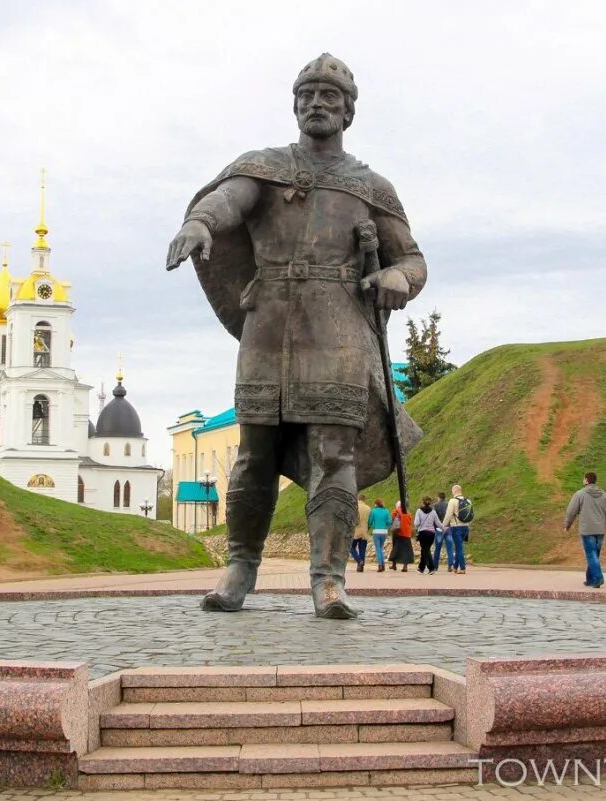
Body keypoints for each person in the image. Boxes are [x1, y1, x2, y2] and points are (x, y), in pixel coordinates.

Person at [166, 54, 428, 619]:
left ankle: (329, 581)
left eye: (329, 97)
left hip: (337, 332)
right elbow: (228, 200)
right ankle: (239, 568)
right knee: (252, 454)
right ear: (295, 105)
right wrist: (200, 222)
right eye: (307, 95)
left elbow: (412, 261)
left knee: (335, 455)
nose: (316, 104)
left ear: (348, 112)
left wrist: (393, 277)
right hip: (267, 325)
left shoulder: (369, 186)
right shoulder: (263, 168)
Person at [564, 471, 606, 588]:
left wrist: (567, 524)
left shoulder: (580, 494)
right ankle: (590, 579)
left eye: (584, 479)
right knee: (594, 555)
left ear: (587, 480)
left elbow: (571, 511)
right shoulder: (604, 495)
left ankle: (598, 578)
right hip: (600, 530)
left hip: (587, 529)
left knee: (591, 555)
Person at [442, 484, 471, 573]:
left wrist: (443, 525)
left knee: (459, 548)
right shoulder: (468, 501)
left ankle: (462, 568)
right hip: (465, 527)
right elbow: (471, 515)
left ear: (454, 491)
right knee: (460, 547)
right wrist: (467, 524)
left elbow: (448, 514)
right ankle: (455, 567)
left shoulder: (452, 501)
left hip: (456, 527)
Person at [413, 497, 441, 575]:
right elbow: (438, 523)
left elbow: (416, 523)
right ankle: (421, 568)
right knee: (425, 550)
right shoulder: (433, 512)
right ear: (430, 503)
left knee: (425, 550)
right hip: (431, 534)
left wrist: (418, 524)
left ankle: (431, 568)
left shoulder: (419, 511)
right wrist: (444, 528)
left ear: (423, 502)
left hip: (423, 533)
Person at [389, 501, 415, 571]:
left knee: (396, 549)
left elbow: (392, 518)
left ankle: (394, 565)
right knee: (406, 550)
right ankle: (405, 567)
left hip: (398, 533)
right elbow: (410, 523)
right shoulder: (408, 513)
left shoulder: (396, 511)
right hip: (407, 534)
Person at [368, 498, 392, 572]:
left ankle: (380, 565)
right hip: (384, 532)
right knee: (381, 548)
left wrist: (372, 526)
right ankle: (383, 564)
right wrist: (385, 525)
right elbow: (389, 522)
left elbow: (370, 522)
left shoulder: (373, 511)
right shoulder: (386, 511)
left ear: (376, 504)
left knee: (378, 549)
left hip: (376, 531)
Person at [350, 494, 371, 572]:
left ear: (358, 499)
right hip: (364, 531)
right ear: (364, 499)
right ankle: (361, 567)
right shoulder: (369, 508)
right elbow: (370, 521)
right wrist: (368, 527)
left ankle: (359, 561)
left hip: (355, 531)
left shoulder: (354, 507)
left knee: (351, 547)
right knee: (362, 549)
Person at [432, 491, 452, 571]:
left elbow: (434, 518)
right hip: (448, 528)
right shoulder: (449, 505)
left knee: (437, 548)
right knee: (450, 548)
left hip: (439, 529)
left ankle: (435, 566)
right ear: (444, 497)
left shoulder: (435, 506)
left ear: (438, 497)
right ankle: (451, 565)